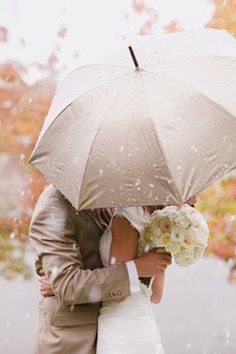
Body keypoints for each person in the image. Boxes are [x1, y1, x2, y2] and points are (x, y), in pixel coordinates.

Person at [29, 184, 172, 354]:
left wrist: (68, 282)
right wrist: (134, 270)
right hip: (73, 341)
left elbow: (107, 260)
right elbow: (68, 286)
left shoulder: (106, 196)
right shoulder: (53, 207)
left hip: (116, 331)